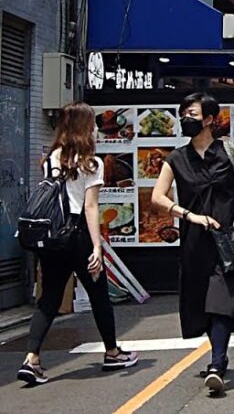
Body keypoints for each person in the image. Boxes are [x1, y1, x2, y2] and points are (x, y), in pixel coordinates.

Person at [151, 93, 234, 395]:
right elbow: (157, 197)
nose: (185, 119)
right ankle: (220, 353)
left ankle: (216, 363)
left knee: (221, 302)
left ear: (209, 119)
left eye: (191, 113)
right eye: (182, 114)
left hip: (228, 239)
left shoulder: (230, 149)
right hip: (193, 242)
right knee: (201, 304)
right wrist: (188, 215)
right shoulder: (176, 158)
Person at [18, 102, 140, 385]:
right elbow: (91, 207)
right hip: (78, 236)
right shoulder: (91, 162)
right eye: (93, 124)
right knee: (98, 293)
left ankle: (31, 358)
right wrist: (97, 247)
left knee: (49, 298)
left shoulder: (51, 157)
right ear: (84, 128)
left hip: (51, 238)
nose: (96, 128)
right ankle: (112, 352)